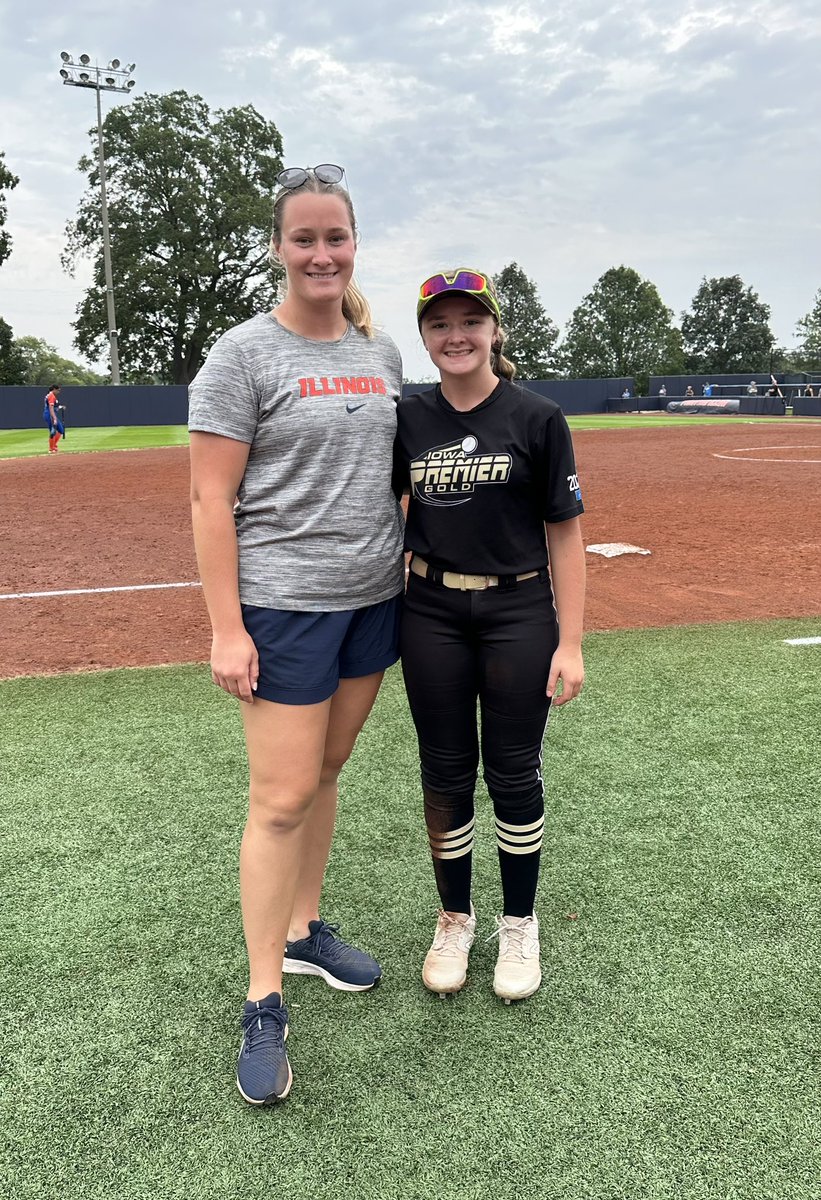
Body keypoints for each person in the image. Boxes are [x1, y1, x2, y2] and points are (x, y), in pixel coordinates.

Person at [188, 164, 405, 1105]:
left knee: (325, 772)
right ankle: (262, 996)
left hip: (373, 603)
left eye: (336, 237)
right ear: (279, 248)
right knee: (278, 797)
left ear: (353, 243)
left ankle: (303, 931)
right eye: (304, 238)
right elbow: (208, 498)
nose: (321, 253)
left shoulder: (381, 350)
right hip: (283, 610)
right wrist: (227, 628)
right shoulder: (242, 356)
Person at [393, 269, 585, 1005]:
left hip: (518, 612)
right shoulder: (408, 417)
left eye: (470, 321)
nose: (455, 335)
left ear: (494, 330)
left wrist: (569, 642)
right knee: (443, 772)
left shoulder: (536, 417)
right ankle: (454, 919)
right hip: (431, 611)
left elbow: (564, 537)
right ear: (425, 336)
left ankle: (517, 923)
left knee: (511, 772)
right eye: (439, 324)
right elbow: (379, 510)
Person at [43, 384, 64, 453]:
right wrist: (54, 418)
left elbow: (55, 407)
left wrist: (60, 407)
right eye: (58, 390)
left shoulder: (50, 395)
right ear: (54, 389)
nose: (59, 392)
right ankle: (51, 448)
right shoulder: (51, 396)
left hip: (50, 414)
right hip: (50, 414)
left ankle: (53, 446)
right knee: (53, 431)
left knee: (60, 430)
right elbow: (51, 408)